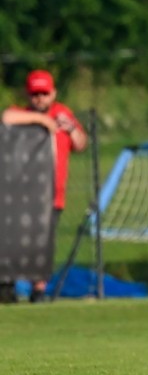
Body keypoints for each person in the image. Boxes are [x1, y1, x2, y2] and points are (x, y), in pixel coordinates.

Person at [2, 69, 88, 302]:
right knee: (15, 242)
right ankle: (8, 286)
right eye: (35, 94)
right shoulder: (22, 114)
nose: (40, 99)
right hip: (23, 194)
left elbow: (81, 144)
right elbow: (6, 117)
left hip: (53, 194)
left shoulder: (63, 114)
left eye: (44, 94)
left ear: (53, 93)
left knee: (42, 246)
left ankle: (38, 291)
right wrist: (41, 120)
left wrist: (71, 129)